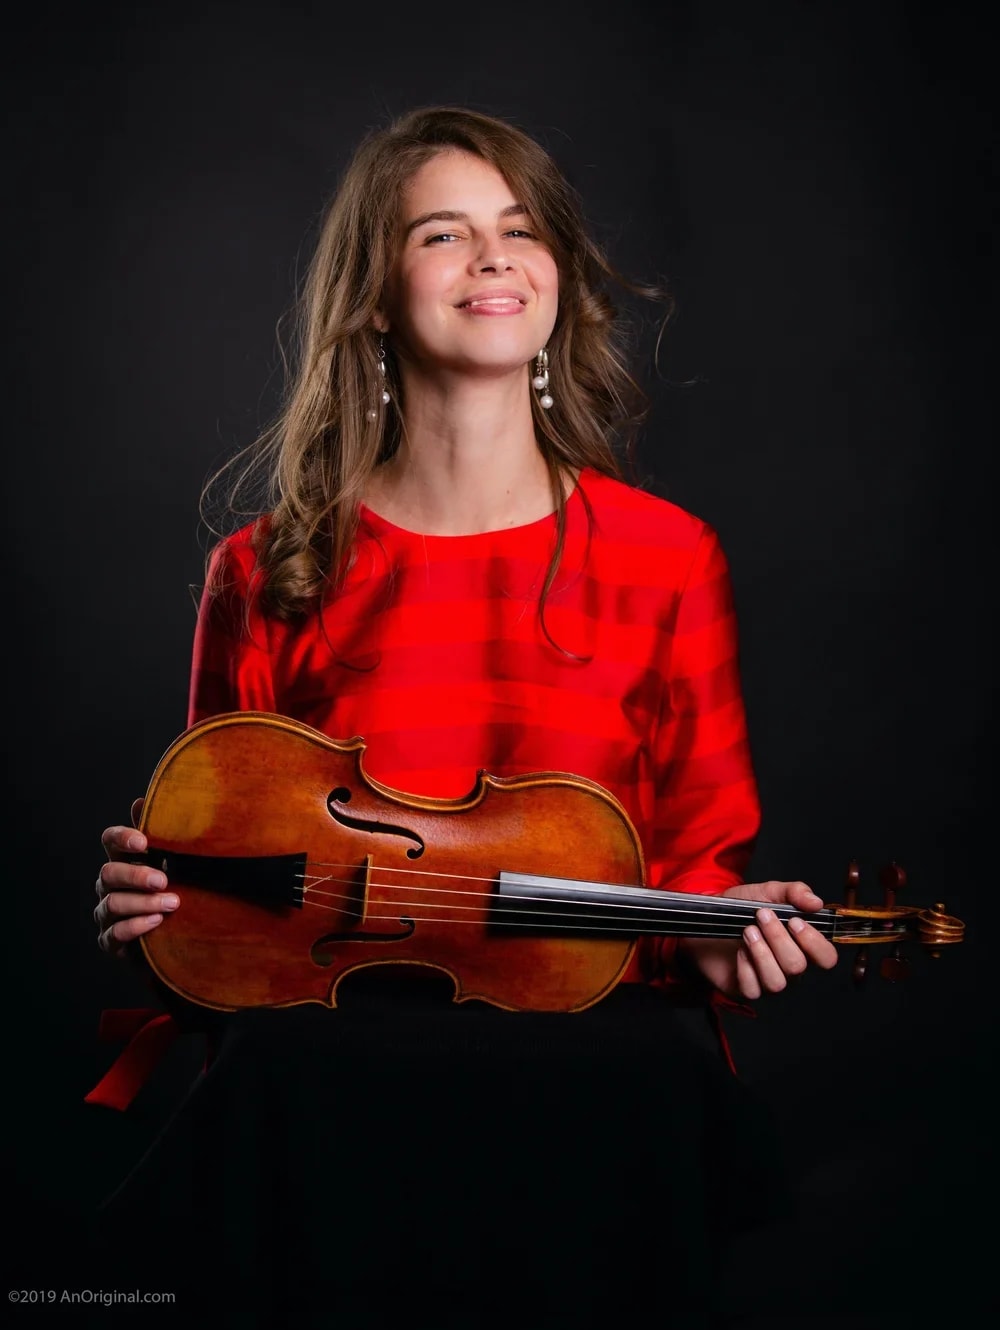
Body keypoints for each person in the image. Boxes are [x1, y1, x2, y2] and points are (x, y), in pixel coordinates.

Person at [90, 106, 838, 1329]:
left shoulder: (667, 558)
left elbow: (695, 865)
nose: (493, 256)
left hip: (590, 1054)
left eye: (520, 228)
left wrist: (717, 936)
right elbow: (225, 870)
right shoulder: (266, 569)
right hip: (335, 1065)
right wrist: (157, 911)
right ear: (375, 298)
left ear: (555, 277)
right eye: (442, 232)